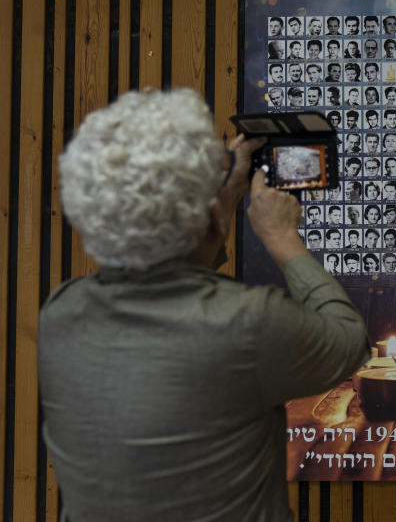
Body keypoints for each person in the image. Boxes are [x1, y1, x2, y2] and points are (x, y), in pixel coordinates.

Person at [40, 89, 370, 521]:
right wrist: (282, 237)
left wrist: (222, 200)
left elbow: (171, 262)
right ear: (211, 217)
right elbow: (349, 342)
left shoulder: (61, 314)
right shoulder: (247, 322)